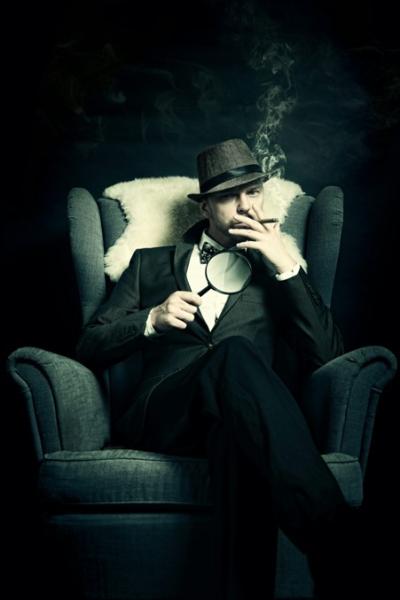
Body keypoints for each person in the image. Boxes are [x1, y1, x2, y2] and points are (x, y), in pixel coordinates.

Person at [76, 138, 361, 600]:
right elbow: (89, 345)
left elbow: (329, 357)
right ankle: (339, 543)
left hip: (240, 413)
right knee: (233, 353)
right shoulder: (149, 264)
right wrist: (151, 319)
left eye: (254, 192)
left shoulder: (278, 273)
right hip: (167, 412)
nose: (246, 205)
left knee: (238, 440)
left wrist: (286, 266)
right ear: (205, 206)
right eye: (230, 196)